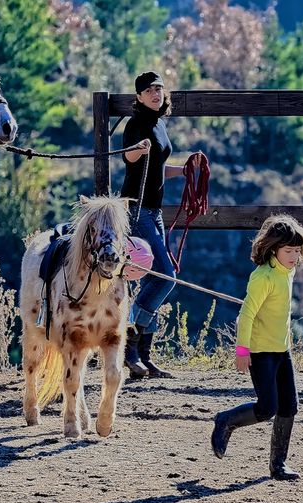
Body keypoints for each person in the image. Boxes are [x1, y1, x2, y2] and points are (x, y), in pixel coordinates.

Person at [211, 215, 303, 480]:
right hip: (260, 352)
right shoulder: (263, 277)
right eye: (288, 251)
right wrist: (242, 351)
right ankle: (226, 420)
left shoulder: (288, 271)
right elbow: (246, 315)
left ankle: (278, 464)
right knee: (267, 407)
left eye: (296, 251)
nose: (294, 256)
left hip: (282, 350)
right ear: (273, 249)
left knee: (289, 407)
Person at [120, 70, 191, 378]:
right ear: (138, 97)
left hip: (154, 211)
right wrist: (140, 148)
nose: (155, 93)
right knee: (166, 276)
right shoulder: (136, 124)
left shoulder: (160, 124)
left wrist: (186, 170)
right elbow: (128, 158)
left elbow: (159, 169)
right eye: (148, 90)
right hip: (136, 210)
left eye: (158, 89)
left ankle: (143, 357)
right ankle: (129, 345)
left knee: (153, 279)